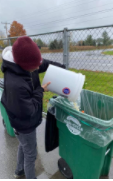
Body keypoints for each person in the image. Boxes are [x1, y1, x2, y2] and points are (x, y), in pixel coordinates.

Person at [1, 37, 65, 179]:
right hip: (24, 123)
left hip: (22, 121)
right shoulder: (16, 84)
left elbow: (43, 64)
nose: (37, 68)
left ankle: (19, 171)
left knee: (24, 146)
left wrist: (61, 68)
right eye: (34, 66)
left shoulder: (24, 64)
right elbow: (28, 110)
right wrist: (40, 91)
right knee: (31, 154)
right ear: (24, 65)